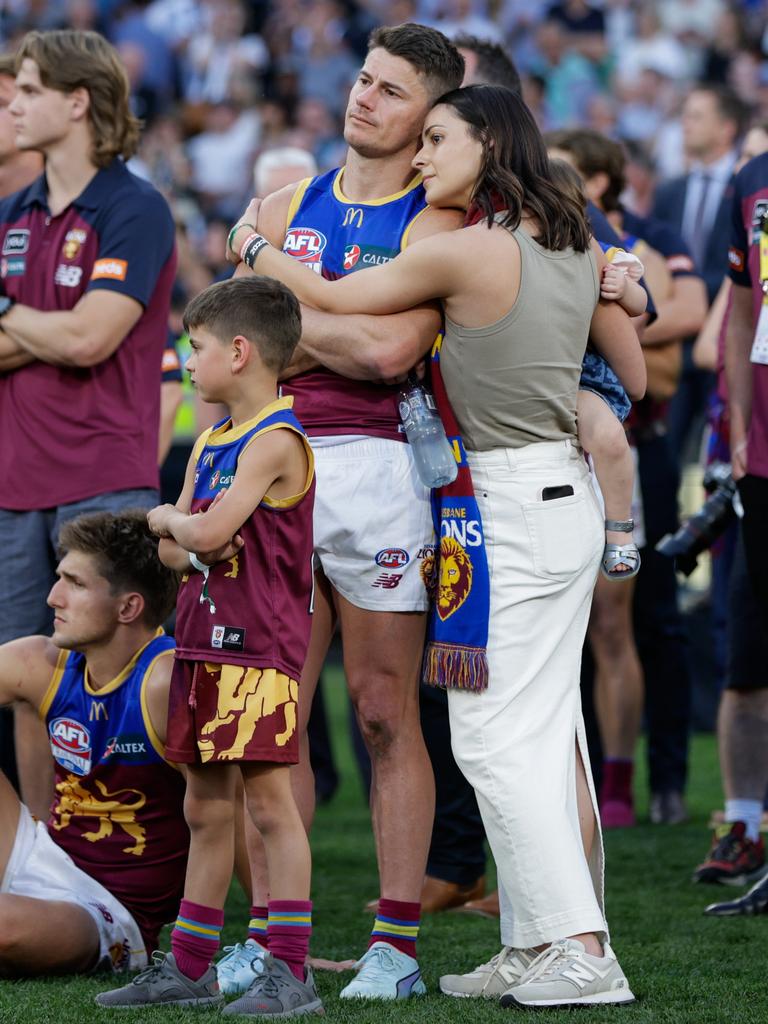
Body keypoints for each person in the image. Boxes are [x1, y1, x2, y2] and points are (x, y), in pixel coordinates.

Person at [228, 82, 645, 1008]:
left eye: (439, 139)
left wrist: (254, 247)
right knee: (538, 733)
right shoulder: (578, 239)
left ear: (488, 144)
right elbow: (640, 370)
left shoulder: (466, 248)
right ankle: (537, 942)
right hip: (548, 493)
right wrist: (595, 343)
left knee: (499, 743)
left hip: (508, 499)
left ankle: (582, 950)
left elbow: (334, 294)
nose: (421, 157)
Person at [230, 23, 465, 1000]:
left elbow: (390, 355)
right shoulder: (291, 199)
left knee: (380, 709)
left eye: (391, 91)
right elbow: (246, 348)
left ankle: (395, 945)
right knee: (270, 712)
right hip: (282, 456)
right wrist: (337, 326)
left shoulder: (436, 219)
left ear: (428, 119)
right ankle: (274, 939)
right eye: (364, 79)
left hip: (381, 466)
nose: (364, 98)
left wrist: (293, 310)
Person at [97, 276, 320, 1016]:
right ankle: (189, 966)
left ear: (239, 350)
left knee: (269, 806)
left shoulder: (276, 438)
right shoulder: (214, 439)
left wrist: (178, 524)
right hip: (199, 642)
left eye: (194, 348)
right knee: (204, 806)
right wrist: (188, 534)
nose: (186, 361)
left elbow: (201, 531)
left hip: (257, 651)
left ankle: (292, 971)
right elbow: (173, 552)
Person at [0, 28, 176, 771]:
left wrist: (19, 322)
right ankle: (49, 859)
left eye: (32, 89)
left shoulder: (133, 207)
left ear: (78, 102)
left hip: (104, 479)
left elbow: (90, 339)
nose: (14, 102)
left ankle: (136, 851)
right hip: (15, 485)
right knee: (29, 685)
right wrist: (51, 327)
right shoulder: (16, 211)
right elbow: (68, 331)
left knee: (119, 677)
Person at [0, 510, 186, 977]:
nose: (53, 596)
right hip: (38, 849)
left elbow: (237, 813)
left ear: (128, 608)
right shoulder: (43, 661)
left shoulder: (166, 683)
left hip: (107, 908)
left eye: (75, 584)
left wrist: (271, 942)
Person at [699, 148, 768, 917]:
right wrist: (743, 424)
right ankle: (746, 827)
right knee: (752, 648)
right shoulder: (753, 177)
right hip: (762, 456)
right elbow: (743, 305)